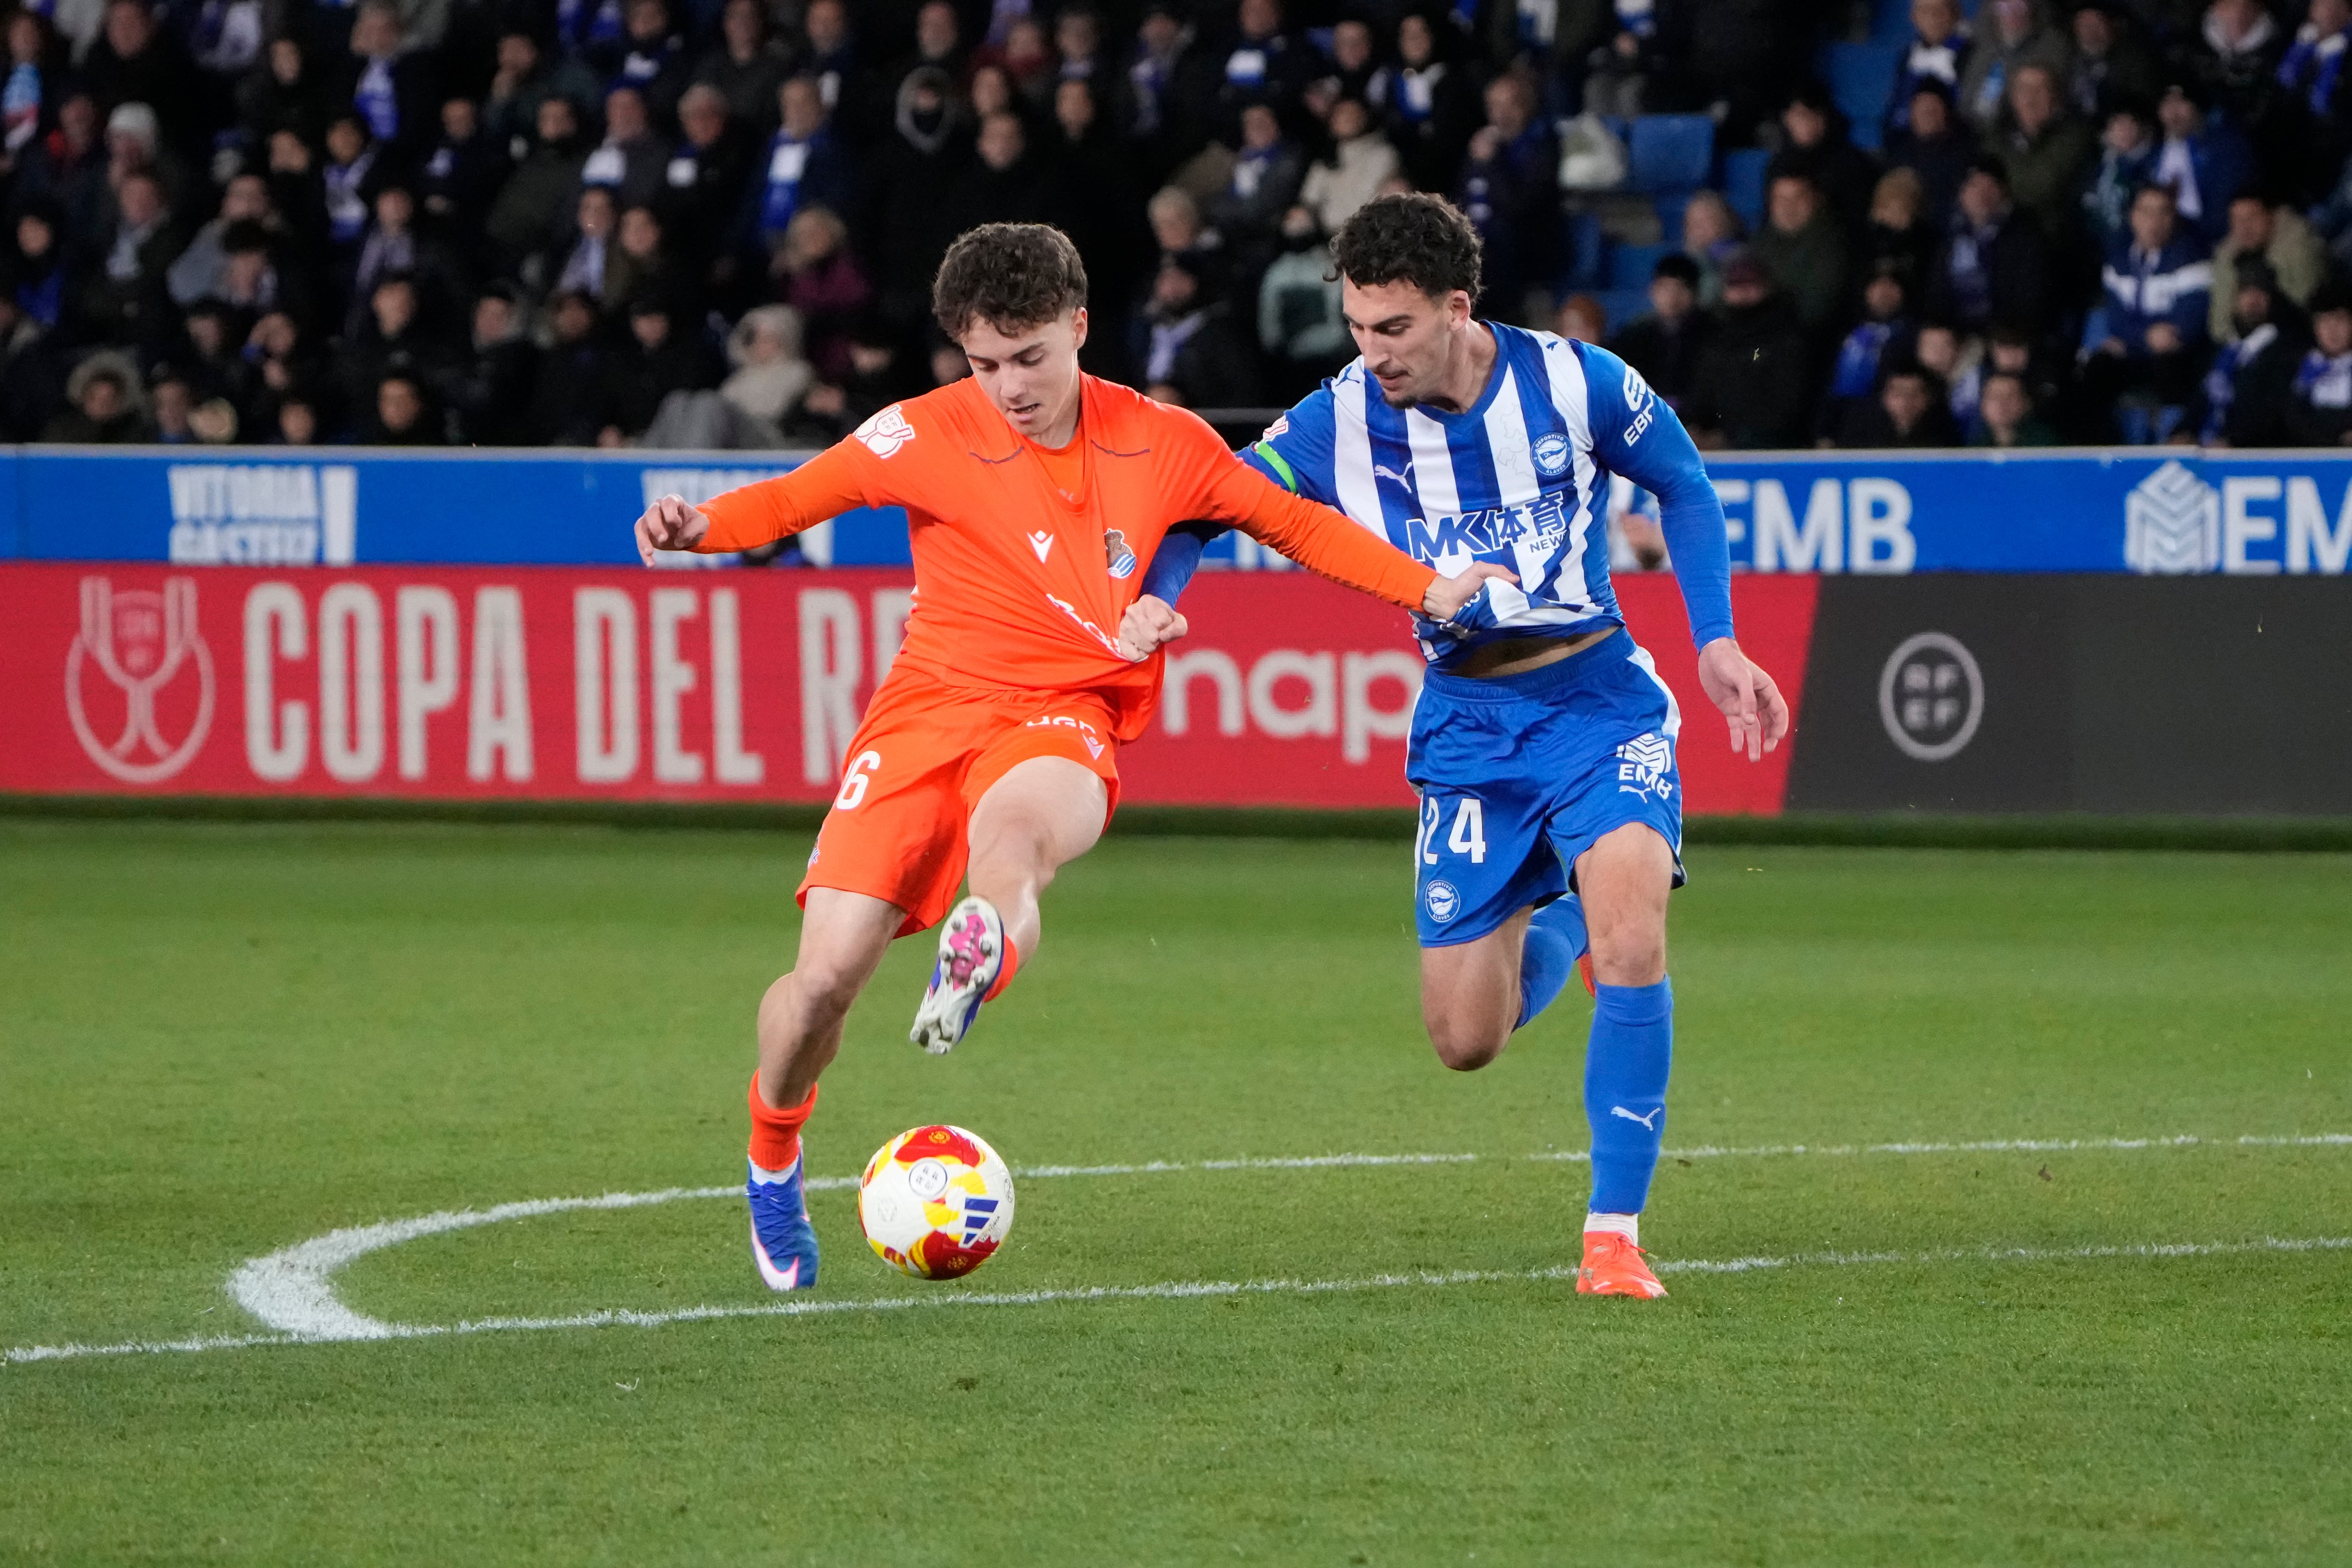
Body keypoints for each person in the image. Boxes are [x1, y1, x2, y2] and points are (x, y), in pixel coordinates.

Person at [631, 221, 1505, 1292]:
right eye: (984, 361)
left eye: (1030, 356)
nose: (1007, 384)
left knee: (1019, 838)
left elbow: (1297, 524)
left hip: (1062, 708)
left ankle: (980, 945)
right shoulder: (922, 431)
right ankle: (774, 1152)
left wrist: (1427, 587)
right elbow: (789, 499)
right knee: (821, 984)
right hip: (922, 714)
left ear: (1079, 328)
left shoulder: (1164, 441)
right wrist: (696, 525)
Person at [1121, 194, 1787, 1301]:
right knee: (1463, 1037)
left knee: (1633, 940)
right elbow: (1210, 504)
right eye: (1356, 327)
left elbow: (1682, 479)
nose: (1368, 352)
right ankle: (1563, 903)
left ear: (1455, 308)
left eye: (1391, 329)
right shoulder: (1341, 417)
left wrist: (1714, 639)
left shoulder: (1575, 382)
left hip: (1598, 700)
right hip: (1468, 729)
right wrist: (1156, 599)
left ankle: (1611, 1236)